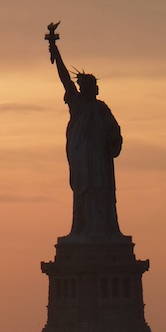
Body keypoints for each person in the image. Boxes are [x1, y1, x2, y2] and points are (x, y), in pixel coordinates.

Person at [49, 30, 123, 239]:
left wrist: (111, 140)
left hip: (99, 160)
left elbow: (114, 133)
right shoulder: (77, 104)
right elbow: (64, 79)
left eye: (91, 86)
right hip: (82, 158)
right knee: (83, 193)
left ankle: (102, 229)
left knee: (100, 192)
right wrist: (55, 51)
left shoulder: (101, 110)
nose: (90, 89)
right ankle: (82, 228)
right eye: (85, 86)